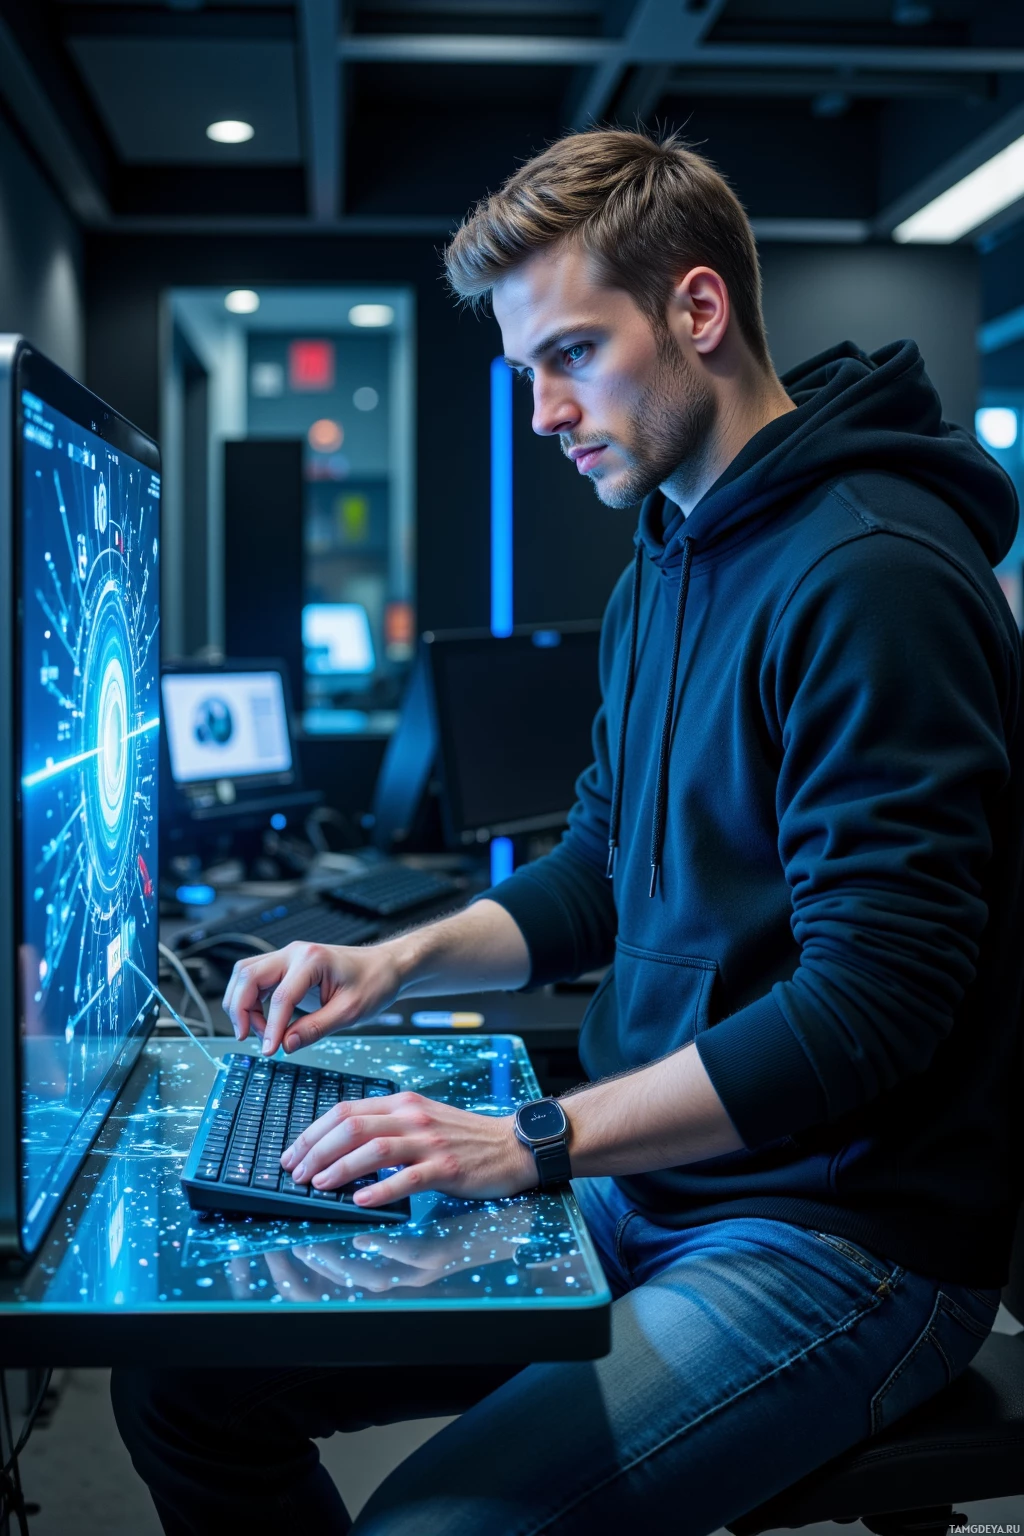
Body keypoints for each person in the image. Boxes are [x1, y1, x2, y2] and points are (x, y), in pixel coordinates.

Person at [112, 128, 1024, 1536]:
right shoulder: (673, 544)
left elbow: (873, 1007)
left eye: (571, 357)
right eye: (524, 369)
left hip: (842, 1241)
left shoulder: (871, 576)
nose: (541, 412)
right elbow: (602, 869)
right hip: (656, 1184)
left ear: (698, 311)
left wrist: (525, 1139)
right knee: (187, 1386)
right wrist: (392, 966)